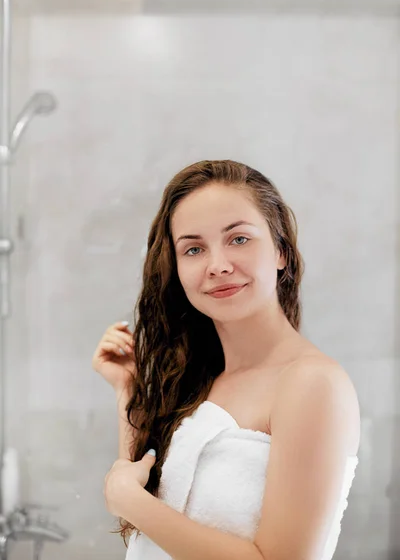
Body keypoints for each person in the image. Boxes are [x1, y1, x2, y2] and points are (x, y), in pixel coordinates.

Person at [92, 159, 360, 560]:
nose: (218, 265)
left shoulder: (311, 383)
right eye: (194, 248)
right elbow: (150, 531)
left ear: (281, 252)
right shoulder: (203, 379)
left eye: (238, 239)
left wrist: (130, 501)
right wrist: (128, 390)